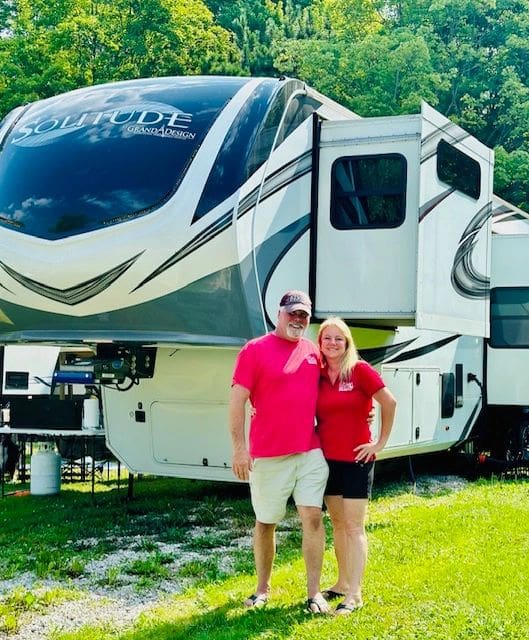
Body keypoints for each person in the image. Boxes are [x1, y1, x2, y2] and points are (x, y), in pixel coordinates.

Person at [229, 290, 331, 614]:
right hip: (269, 455)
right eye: (293, 313)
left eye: (304, 315)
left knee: (312, 518)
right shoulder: (254, 351)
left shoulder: (314, 353)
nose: (298, 320)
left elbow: (335, 390)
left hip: (309, 452)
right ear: (279, 314)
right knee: (266, 522)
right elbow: (236, 402)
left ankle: (314, 593)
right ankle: (262, 590)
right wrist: (239, 450)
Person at [316, 317, 396, 615]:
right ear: (320, 343)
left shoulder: (360, 370)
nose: (333, 343)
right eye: (327, 338)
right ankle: (341, 582)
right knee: (337, 524)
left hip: (356, 461)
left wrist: (379, 443)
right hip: (327, 461)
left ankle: (355, 594)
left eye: (339, 338)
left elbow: (389, 402)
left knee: (353, 527)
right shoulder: (319, 374)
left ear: (347, 342)